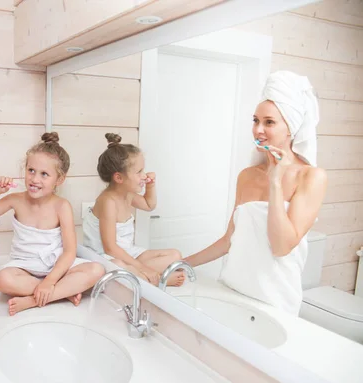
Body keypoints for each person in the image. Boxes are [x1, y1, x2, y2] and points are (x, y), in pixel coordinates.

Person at [184, 71, 328, 316]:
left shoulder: (311, 177)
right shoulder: (247, 176)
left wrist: (275, 182)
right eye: (255, 120)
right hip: (232, 288)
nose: (258, 130)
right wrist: (182, 264)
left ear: (291, 127)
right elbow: (229, 239)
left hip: (274, 302)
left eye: (269, 122)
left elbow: (281, 246)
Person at [0, 133, 105, 316]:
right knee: (1, 280)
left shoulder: (62, 206)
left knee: (97, 270)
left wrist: (49, 281)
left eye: (44, 174)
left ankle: (33, 300)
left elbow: (69, 252)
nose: (35, 179)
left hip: (56, 266)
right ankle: (62, 293)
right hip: (25, 266)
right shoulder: (15, 200)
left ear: (59, 180)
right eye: (31, 171)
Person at [83, 133, 184, 286]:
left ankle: (144, 275)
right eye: (139, 172)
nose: (144, 176)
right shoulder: (108, 202)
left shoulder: (128, 194)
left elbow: (149, 205)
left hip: (128, 253)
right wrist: (143, 268)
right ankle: (157, 279)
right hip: (106, 256)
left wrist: (151, 185)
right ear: (119, 178)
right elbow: (110, 248)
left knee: (175, 255)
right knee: (120, 266)